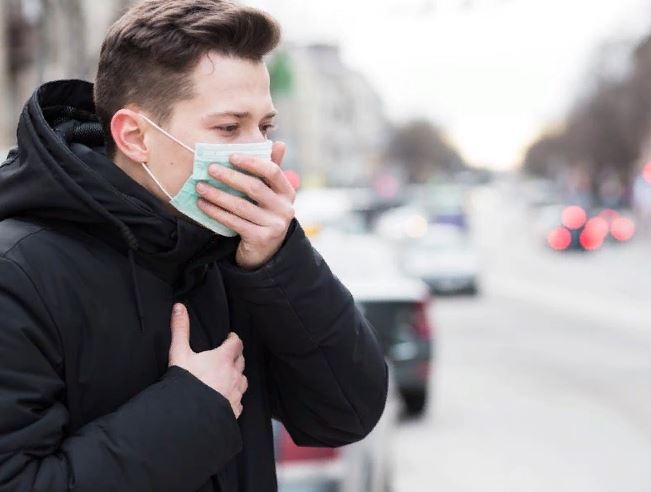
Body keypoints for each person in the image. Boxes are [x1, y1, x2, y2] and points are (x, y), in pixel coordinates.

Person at [0, 1, 388, 491]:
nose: (259, 151)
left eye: (264, 127)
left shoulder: (233, 252)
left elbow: (347, 413)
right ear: (135, 136)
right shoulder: (18, 273)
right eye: (229, 127)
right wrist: (192, 410)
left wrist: (279, 261)